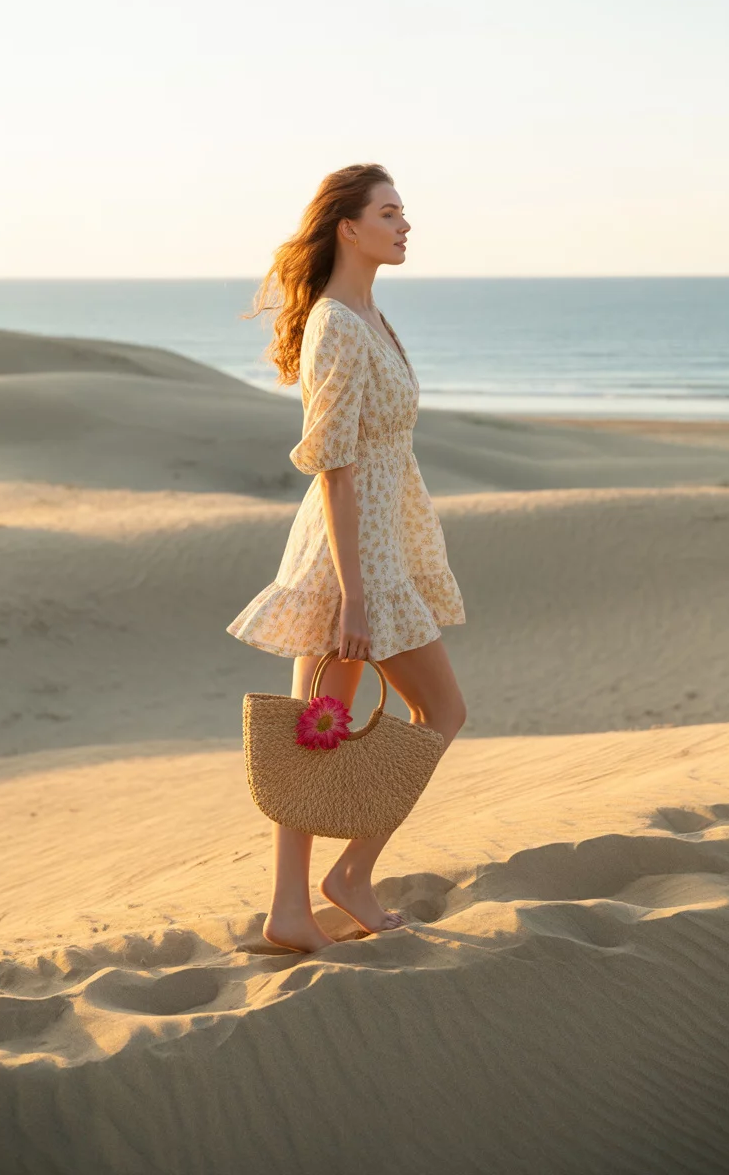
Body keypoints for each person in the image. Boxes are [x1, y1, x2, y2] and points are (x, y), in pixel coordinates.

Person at [226, 162, 467, 953]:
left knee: (316, 732)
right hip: (349, 554)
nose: (405, 225)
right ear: (348, 227)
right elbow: (333, 461)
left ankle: (294, 907)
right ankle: (344, 879)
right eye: (390, 212)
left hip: (378, 547)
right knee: (437, 712)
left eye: (405, 212)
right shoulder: (336, 322)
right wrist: (355, 596)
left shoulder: (369, 316)